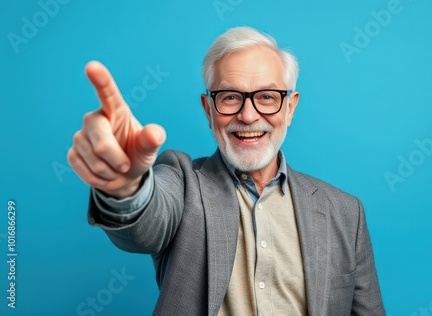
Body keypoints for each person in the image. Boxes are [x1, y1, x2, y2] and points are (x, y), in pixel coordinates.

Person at [68, 26, 385, 315]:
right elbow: (146, 225)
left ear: (289, 108)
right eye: (231, 97)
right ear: (209, 109)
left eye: (266, 97)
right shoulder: (183, 182)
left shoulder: (345, 212)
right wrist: (126, 187)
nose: (248, 116)